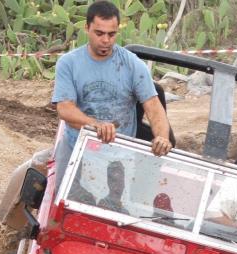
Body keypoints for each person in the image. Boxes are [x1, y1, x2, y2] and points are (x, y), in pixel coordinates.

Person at [52, 0, 172, 170]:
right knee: (60, 194)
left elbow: (153, 106)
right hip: (76, 149)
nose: (106, 40)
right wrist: (96, 126)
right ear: (87, 28)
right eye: (99, 33)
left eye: (111, 34)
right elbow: (64, 108)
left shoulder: (133, 65)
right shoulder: (68, 63)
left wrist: (162, 137)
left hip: (119, 156)